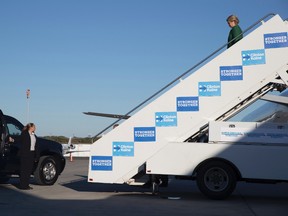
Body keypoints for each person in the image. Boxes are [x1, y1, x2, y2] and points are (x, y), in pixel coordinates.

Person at [19, 123, 37, 190]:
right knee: (24, 170)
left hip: (31, 154)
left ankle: (26, 185)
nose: (35, 128)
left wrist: (36, 155)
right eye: (34, 127)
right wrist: (12, 140)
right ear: (31, 127)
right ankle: (22, 185)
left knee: (29, 170)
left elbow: (36, 145)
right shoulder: (24, 133)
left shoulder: (33, 134)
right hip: (25, 154)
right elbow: (19, 140)